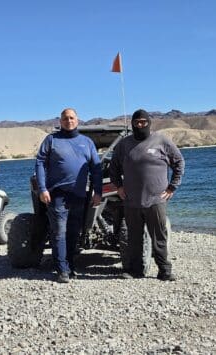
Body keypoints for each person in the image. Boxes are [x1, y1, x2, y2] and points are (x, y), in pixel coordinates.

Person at [110, 109, 185, 281]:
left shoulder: (162, 140)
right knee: (134, 238)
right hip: (131, 201)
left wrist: (172, 187)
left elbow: (179, 162)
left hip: (156, 200)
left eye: (143, 122)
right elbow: (113, 167)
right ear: (133, 124)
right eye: (137, 122)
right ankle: (135, 270)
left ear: (149, 123)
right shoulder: (124, 144)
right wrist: (119, 187)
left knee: (159, 236)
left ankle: (164, 270)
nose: (140, 125)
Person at [35, 108, 102, 283]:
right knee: (59, 232)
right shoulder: (51, 140)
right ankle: (61, 269)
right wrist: (42, 188)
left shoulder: (87, 142)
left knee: (73, 233)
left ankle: (70, 266)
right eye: (65, 118)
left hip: (79, 195)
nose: (69, 121)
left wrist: (98, 191)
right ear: (60, 121)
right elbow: (40, 163)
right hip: (57, 194)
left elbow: (96, 168)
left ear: (77, 120)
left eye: (71, 118)